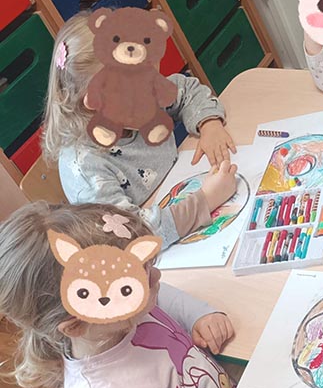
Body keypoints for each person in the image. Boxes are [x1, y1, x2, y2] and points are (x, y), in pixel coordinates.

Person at [0, 201, 323, 388]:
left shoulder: (120, 312)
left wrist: (200, 314)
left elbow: (163, 293)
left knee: (321, 381)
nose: (155, 275)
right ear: (76, 324)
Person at [44, 13, 237, 250]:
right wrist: (204, 202)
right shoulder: (86, 168)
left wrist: (209, 124)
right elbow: (133, 234)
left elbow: (185, 90)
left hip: (178, 192)